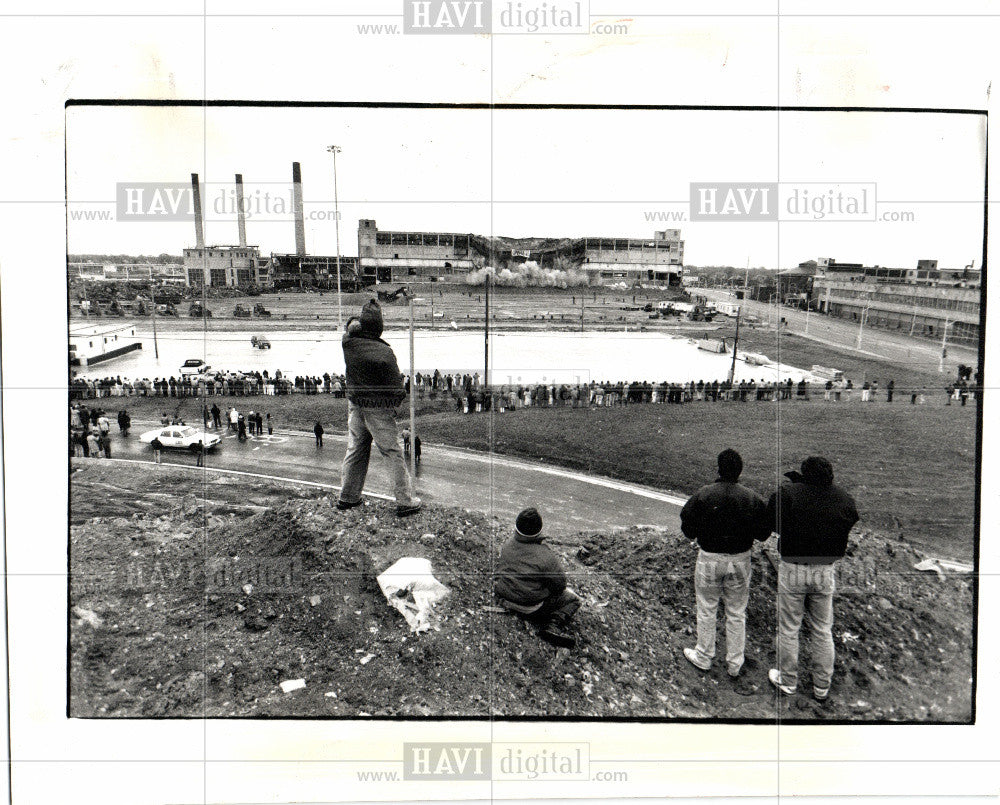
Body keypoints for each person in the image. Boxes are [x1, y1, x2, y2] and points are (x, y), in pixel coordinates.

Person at [763, 456, 859, 701]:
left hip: (794, 566)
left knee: (789, 628)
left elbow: (773, 523)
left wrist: (795, 489)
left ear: (806, 475)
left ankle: (788, 681)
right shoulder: (844, 499)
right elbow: (846, 522)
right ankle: (821, 687)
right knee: (822, 630)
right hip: (824, 570)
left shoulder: (789, 494)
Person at [679, 449, 769, 679]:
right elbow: (763, 533)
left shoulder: (704, 494)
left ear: (719, 468)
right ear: (740, 470)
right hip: (740, 559)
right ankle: (735, 662)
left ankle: (704, 655)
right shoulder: (752, 497)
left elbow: (687, 528)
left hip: (710, 557)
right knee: (736, 612)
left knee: (707, 608)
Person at [337, 302, 421, 517]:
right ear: (380, 328)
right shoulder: (385, 352)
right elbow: (397, 388)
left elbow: (350, 326)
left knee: (356, 449)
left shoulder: (349, 343)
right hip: (378, 408)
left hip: (355, 405)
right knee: (391, 452)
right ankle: (405, 500)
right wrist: (394, 407)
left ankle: (348, 497)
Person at [494, 507, 581, 649]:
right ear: (539, 531)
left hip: (504, 596)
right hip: (529, 607)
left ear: (516, 528)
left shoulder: (507, 545)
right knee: (574, 599)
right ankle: (553, 626)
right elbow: (560, 586)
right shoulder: (546, 556)